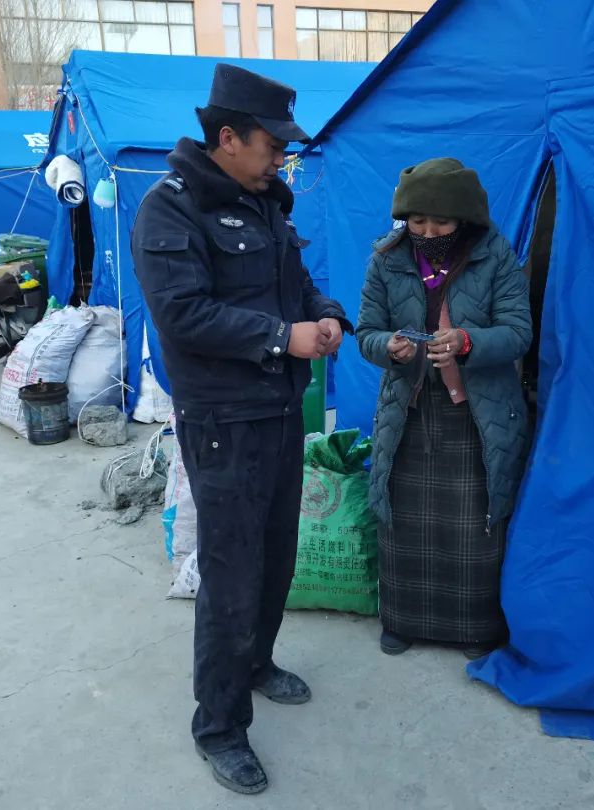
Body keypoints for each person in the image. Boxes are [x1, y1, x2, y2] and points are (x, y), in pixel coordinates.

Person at [132, 64, 350, 795]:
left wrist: (325, 315)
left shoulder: (264, 204)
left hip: (280, 411)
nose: (281, 157)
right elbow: (182, 315)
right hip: (224, 420)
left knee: (278, 556)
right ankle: (219, 726)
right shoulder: (170, 210)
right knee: (231, 573)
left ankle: (256, 663)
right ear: (227, 138)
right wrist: (282, 338)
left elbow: (296, 284)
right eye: (272, 144)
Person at [357, 158, 532, 660]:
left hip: (478, 412)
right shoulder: (387, 259)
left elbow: (519, 332)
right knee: (403, 520)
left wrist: (467, 341)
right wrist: (388, 347)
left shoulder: (494, 256)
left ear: (465, 220)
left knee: (475, 522)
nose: (428, 232)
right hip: (408, 409)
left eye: (441, 222)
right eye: (417, 221)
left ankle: (474, 627)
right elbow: (366, 331)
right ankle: (401, 620)